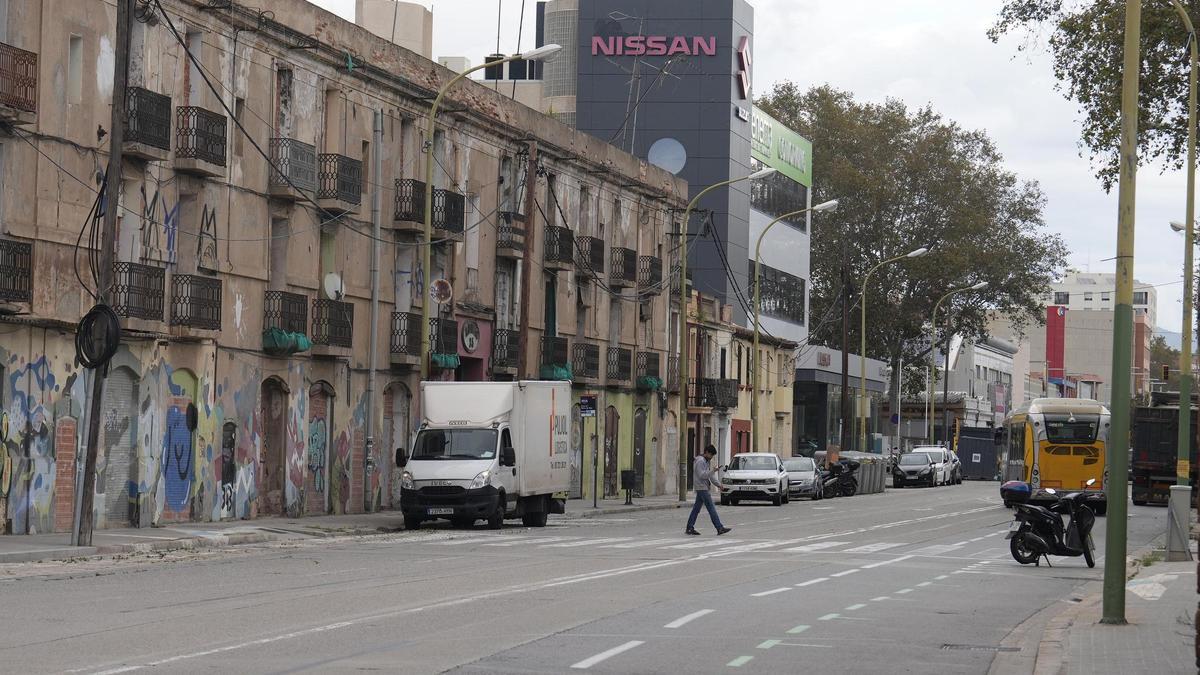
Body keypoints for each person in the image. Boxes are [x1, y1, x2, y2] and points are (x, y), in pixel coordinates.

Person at [686, 445, 732, 536]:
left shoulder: (705, 461)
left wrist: (719, 485)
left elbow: (710, 476)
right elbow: (702, 475)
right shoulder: (700, 461)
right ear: (706, 452)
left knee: (696, 509)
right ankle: (719, 528)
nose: (711, 457)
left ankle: (689, 527)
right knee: (711, 508)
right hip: (702, 487)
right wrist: (713, 471)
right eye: (711, 455)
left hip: (703, 487)